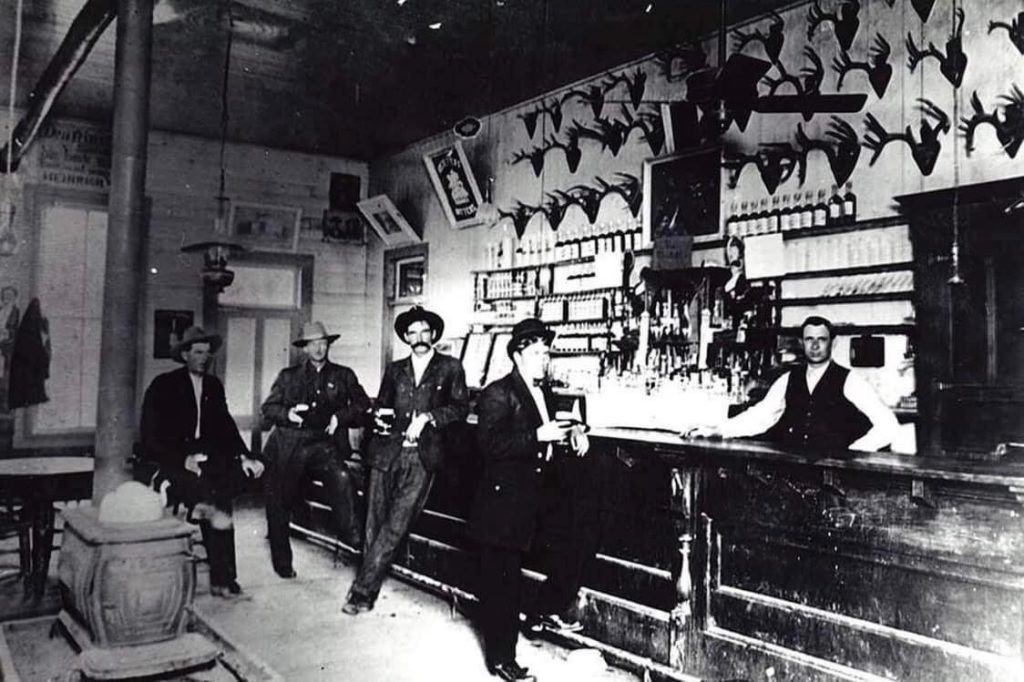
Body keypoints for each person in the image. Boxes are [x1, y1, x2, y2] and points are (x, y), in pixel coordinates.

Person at [466, 318, 595, 682]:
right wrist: (539, 435)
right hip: (504, 502)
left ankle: (540, 611)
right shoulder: (497, 392)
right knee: (502, 583)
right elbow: (488, 446)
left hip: (538, 495)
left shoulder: (544, 391)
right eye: (538, 353)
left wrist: (577, 430)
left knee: (580, 541)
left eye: (547, 352)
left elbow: (558, 420)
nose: (544, 359)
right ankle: (502, 659)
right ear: (518, 355)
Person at [342, 306, 468, 615]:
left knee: (396, 524)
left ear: (434, 334)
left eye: (425, 331)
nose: (420, 337)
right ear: (406, 337)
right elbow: (382, 405)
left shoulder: (451, 367)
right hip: (386, 452)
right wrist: (379, 416)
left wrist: (428, 417)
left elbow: (460, 408)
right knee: (373, 523)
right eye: (413, 332)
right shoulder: (395, 369)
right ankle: (369, 579)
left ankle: (362, 592)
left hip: (422, 457)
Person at [139, 326, 265, 598]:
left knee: (222, 494)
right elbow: (150, 437)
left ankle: (225, 576)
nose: (204, 358)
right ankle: (223, 577)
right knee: (213, 497)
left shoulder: (213, 386)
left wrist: (244, 455)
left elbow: (226, 428)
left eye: (207, 353)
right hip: (172, 459)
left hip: (207, 460)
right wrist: (182, 459)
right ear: (185, 355)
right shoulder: (164, 385)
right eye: (198, 352)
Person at [685, 316, 899, 451]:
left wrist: (854, 453)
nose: (815, 346)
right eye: (809, 339)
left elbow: (888, 426)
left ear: (833, 343)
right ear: (801, 343)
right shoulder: (789, 379)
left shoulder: (850, 381)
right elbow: (760, 416)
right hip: (795, 470)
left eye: (821, 340)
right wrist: (718, 430)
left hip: (836, 477)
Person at [260, 321, 370, 579]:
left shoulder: (343, 375)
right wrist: (288, 413)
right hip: (290, 445)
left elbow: (362, 403)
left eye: (322, 343)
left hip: (324, 444)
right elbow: (268, 408)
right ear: (305, 349)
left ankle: (353, 538)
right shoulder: (289, 377)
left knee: (342, 478)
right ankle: (282, 561)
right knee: (279, 500)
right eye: (312, 344)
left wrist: (340, 417)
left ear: (328, 345)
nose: (319, 349)